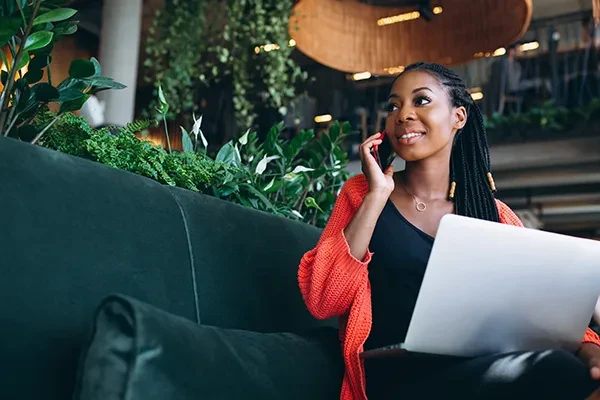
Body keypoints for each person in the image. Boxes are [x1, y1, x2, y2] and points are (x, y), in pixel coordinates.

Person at [297, 62, 600, 400]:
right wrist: (377, 194)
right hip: (396, 381)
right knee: (553, 371)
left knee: (570, 371)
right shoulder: (361, 194)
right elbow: (323, 299)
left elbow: (541, 313)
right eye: (394, 105)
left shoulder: (493, 215)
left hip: (481, 369)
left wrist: (589, 350)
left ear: (459, 117)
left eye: (421, 101)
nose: (403, 115)